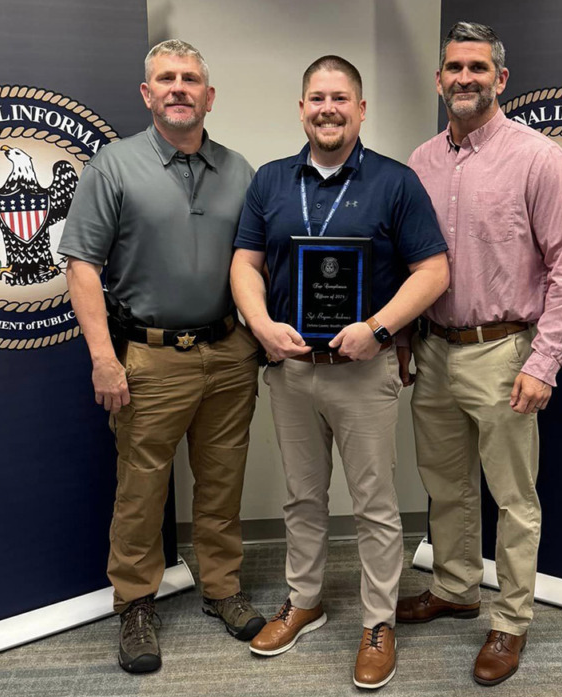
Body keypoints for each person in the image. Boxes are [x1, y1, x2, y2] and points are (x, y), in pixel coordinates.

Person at [230, 55, 449, 690]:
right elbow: (245, 264)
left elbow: (433, 271)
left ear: (360, 109)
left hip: (364, 370)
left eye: (341, 98)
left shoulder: (396, 182)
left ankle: (378, 621)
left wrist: (379, 328)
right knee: (302, 496)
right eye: (317, 98)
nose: (328, 108)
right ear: (302, 108)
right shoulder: (270, 180)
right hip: (292, 369)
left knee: (375, 503)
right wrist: (261, 326)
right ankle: (306, 601)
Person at [59, 39, 266, 674]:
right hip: (149, 358)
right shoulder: (113, 168)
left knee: (223, 479)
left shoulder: (241, 171)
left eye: (191, 79)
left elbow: (258, 262)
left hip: (230, 353)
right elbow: (81, 266)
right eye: (166, 79)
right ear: (148, 94)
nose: (179, 88)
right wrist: (103, 358)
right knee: (142, 488)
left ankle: (222, 589)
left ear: (209, 95)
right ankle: (136, 603)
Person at [398, 22, 562, 687]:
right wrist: (401, 335)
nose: (465, 78)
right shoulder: (420, 162)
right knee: (445, 486)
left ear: (500, 78)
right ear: (440, 78)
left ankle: (510, 621)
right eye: (455, 67)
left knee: (513, 498)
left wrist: (544, 362)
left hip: (503, 351)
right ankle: (454, 587)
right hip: (435, 350)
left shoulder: (537, 158)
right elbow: (411, 262)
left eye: (478, 67)